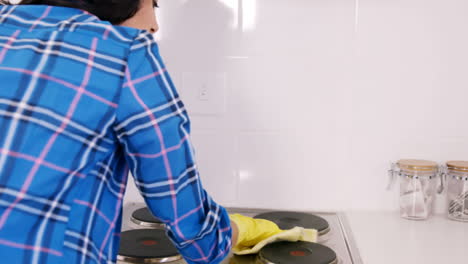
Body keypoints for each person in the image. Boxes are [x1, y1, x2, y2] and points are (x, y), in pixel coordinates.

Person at [0, 0, 286, 263]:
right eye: (153, 3)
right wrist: (240, 231)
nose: (155, 25)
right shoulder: (126, 50)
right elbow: (189, 222)